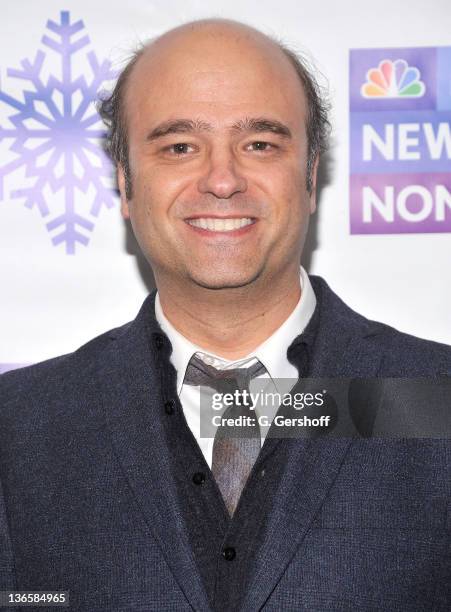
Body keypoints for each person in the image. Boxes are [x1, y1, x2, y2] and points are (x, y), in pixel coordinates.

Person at [1, 18, 450, 612]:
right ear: (125, 183)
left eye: (259, 144)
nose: (221, 180)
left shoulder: (433, 401)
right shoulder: (20, 427)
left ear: (311, 175)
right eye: (179, 146)